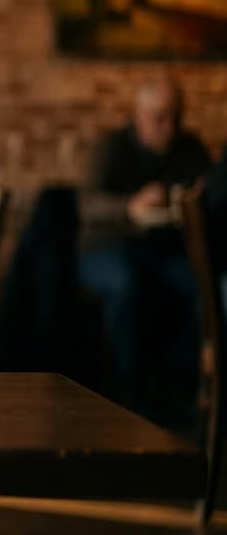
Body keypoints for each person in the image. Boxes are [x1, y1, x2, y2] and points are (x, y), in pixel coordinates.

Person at [78, 78, 212, 425]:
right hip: (106, 250)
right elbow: (87, 206)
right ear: (138, 115)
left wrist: (192, 200)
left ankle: (181, 392)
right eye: (159, 118)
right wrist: (130, 206)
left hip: (164, 252)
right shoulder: (111, 148)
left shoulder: (190, 149)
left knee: (200, 284)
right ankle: (127, 395)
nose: (169, 127)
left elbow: (208, 195)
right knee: (127, 282)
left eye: (176, 118)